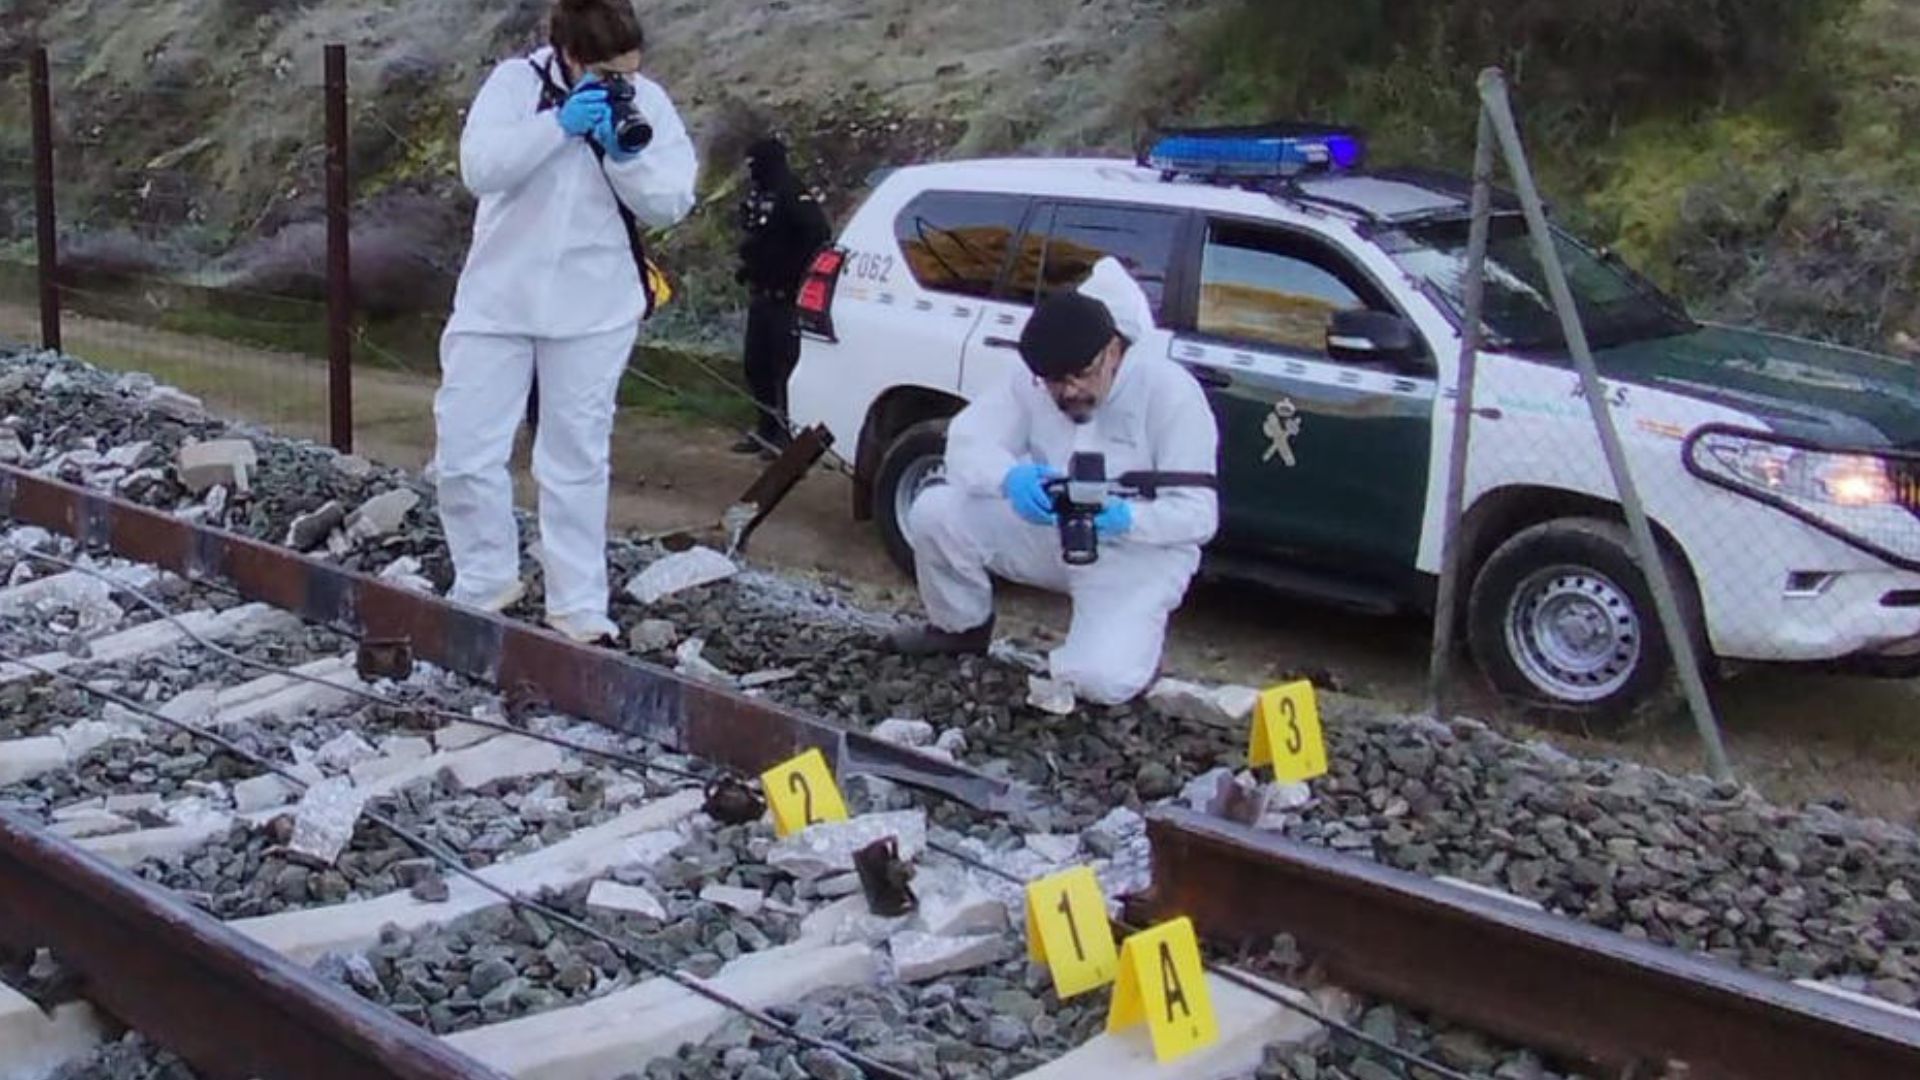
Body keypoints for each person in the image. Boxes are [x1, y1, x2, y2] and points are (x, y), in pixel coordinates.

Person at [431, 0, 697, 644]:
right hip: (498, 299)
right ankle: (485, 577)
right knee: (465, 451)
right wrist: (558, 126)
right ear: (570, 56)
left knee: (575, 458)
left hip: (594, 307)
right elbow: (481, 169)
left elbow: (671, 201)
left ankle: (578, 605)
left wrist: (620, 154)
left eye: (628, 71)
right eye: (605, 72)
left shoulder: (648, 102)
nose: (619, 83)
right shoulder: (515, 86)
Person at [888, 257, 1221, 705]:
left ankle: (1130, 648)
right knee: (933, 512)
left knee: (1097, 682)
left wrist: (1123, 517)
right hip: (1051, 532)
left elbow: (1199, 517)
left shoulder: (1170, 392)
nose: (1067, 392)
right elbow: (966, 443)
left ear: (1113, 351)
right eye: (1054, 382)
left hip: (1136, 554)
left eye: (1079, 377)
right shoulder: (1034, 381)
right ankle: (959, 628)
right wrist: (1010, 478)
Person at [732, 136, 831, 456]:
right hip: (761, 293)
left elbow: (817, 235)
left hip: (786, 296)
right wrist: (752, 265)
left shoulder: (792, 192)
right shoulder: (761, 192)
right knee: (756, 365)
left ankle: (787, 434)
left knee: (784, 367)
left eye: (754, 165)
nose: (751, 171)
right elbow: (758, 237)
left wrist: (792, 272)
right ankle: (765, 429)